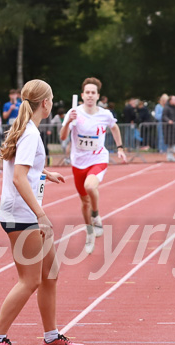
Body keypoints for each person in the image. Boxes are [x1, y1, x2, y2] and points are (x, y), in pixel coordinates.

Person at [0, 79, 84, 345]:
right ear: (45, 103)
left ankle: (52, 336)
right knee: (30, 280)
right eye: (52, 99)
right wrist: (41, 214)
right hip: (22, 215)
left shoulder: (26, 130)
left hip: (24, 212)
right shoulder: (30, 134)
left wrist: (44, 174)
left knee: (50, 273)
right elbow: (18, 177)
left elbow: (23, 170)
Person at [60, 77, 127, 254]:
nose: (90, 95)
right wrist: (68, 122)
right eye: (87, 92)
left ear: (98, 96)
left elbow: (114, 127)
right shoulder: (74, 112)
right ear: (82, 95)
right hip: (78, 162)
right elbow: (62, 137)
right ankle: (89, 232)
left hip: (98, 158)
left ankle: (96, 215)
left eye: (93, 93)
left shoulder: (105, 114)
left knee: (90, 186)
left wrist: (120, 147)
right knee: (83, 203)